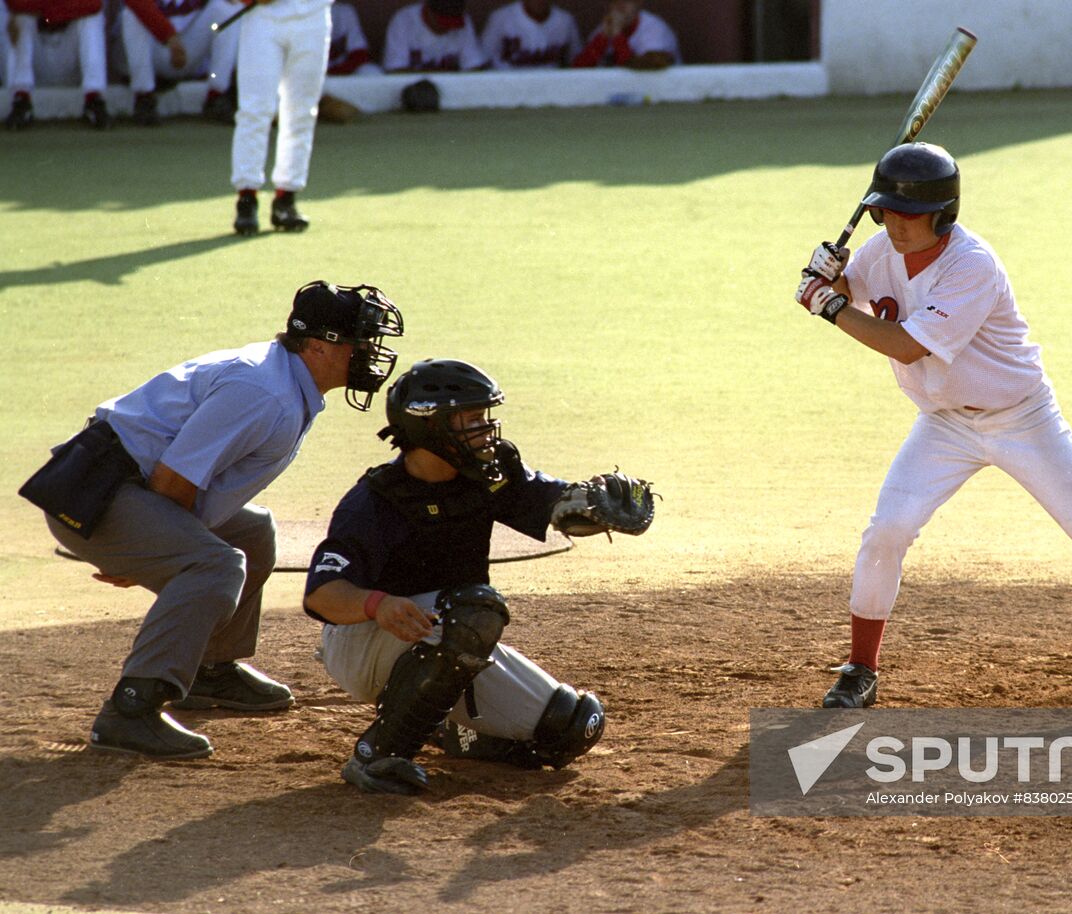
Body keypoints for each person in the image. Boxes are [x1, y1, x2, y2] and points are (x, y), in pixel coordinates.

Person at [794, 142, 1072, 716]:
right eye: (886, 211)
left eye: (910, 213)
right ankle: (860, 671)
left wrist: (826, 305)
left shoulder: (972, 265)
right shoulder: (881, 251)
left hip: (1022, 418)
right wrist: (824, 274)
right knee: (887, 530)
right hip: (943, 425)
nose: (896, 223)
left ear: (943, 214)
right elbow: (847, 288)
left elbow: (904, 345)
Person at [20, 282, 405, 759]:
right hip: (96, 492)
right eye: (361, 342)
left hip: (125, 486)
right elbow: (172, 481)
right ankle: (131, 709)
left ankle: (211, 669)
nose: (371, 353)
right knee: (215, 566)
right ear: (319, 344)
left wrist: (159, 543)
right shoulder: (262, 392)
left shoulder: (286, 380)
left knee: (254, 532)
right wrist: (152, 551)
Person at [304, 359, 653, 794]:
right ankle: (379, 755)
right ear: (430, 427)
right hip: (364, 639)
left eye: (484, 416)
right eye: (470, 419)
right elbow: (322, 595)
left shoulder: (487, 474)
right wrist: (379, 604)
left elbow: (553, 504)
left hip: (446, 632)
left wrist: (599, 506)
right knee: (475, 609)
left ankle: (446, 726)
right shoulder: (375, 502)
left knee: (572, 725)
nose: (485, 429)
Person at [229, 0, 334, 236]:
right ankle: (246, 197)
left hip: (313, 14)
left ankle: (286, 197)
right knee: (254, 110)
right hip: (263, 16)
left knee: (301, 112)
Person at [120, 0, 243, 127]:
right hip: (156, 49)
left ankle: (216, 95)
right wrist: (169, 37)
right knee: (131, 15)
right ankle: (144, 97)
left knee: (228, 8)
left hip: (191, 47)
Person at [3, 0, 111, 129]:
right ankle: (21, 98)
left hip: (68, 53)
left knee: (93, 18)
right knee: (20, 18)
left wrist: (46, 12)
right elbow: (16, 4)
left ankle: (94, 98)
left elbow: (93, 5)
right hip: (36, 56)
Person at [381, 0, 486, 74]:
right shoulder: (404, 20)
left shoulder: (464, 22)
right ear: (428, 11)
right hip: (413, 89)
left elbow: (473, 67)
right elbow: (395, 69)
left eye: (453, 23)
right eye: (444, 22)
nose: (449, 27)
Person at [571, 0, 677, 70]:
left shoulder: (654, 27)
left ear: (638, 4)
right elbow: (578, 69)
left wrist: (617, 38)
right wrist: (602, 39)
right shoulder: (603, 30)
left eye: (627, 1)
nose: (620, 6)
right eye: (615, 2)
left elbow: (649, 68)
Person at [480, 0, 579, 70]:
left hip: (550, 88)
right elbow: (484, 60)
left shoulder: (565, 20)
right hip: (507, 86)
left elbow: (576, 61)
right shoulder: (501, 18)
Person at [326, 0, 378, 75]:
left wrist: (336, 72)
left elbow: (360, 54)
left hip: (340, 72)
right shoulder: (304, 13)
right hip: (309, 74)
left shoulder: (343, 10)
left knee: (371, 71)